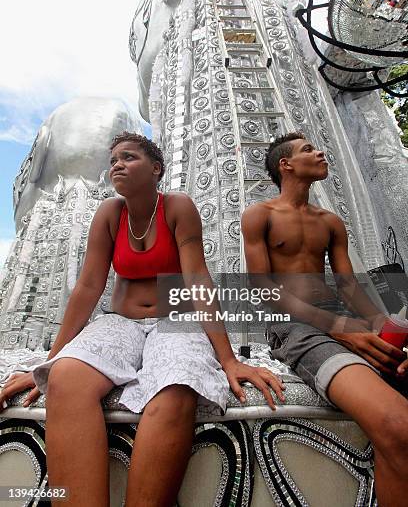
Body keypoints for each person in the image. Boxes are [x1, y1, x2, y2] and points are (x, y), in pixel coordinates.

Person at [0, 132, 285, 507]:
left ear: (156, 169)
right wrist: (50, 359)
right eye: (113, 159)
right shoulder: (109, 214)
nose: (117, 163)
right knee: (65, 378)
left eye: (128, 157)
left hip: (176, 320)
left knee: (177, 385)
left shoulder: (177, 207)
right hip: (121, 321)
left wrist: (228, 359)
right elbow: (87, 288)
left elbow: (199, 280)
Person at [241, 132, 408, 507]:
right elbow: (263, 289)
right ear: (286, 165)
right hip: (294, 326)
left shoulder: (330, 222)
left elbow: (348, 286)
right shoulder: (260, 215)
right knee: (398, 426)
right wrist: (339, 330)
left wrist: (382, 325)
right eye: (307, 150)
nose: (319, 153)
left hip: (341, 315)